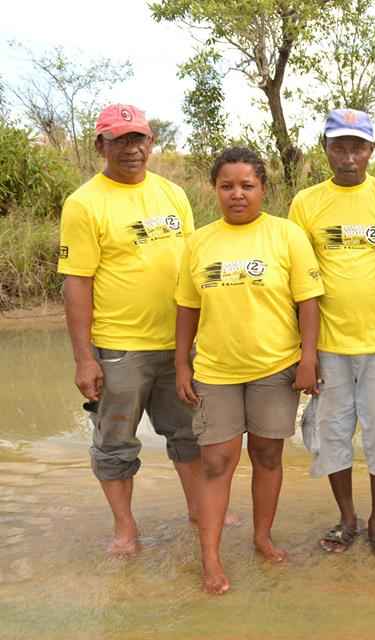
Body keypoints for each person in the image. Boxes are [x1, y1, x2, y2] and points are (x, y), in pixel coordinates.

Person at [175, 147, 324, 594]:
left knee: (267, 455)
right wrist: (181, 363)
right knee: (217, 462)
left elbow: (308, 301)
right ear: (215, 189)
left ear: (263, 188)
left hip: (275, 368)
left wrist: (308, 357)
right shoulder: (199, 242)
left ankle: (262, 536)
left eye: (247, 185)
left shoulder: (287, 235)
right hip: (216, 370)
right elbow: (186, 306)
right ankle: (212, 558)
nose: (237, 194)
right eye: (227, 186)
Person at [58, 103, 204, 557]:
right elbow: (76, 283)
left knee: (190, 435)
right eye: (120, 140)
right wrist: (85, 357)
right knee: (116, 441)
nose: (132, 149)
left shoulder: (173, 194)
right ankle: (126, 529)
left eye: (138, 138)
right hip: (120, 348)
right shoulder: (84, 203)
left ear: (151, 142)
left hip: (179, 345)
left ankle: (202, 513)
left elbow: (193, 265)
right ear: (101, 145)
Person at [289, 109, 375, 558]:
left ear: (371, 150)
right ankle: (347, 518)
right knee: (332, 435)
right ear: (325, 149)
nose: (348, 157)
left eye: (357, 147)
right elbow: (300, 283)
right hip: (327, 347)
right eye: (338, 147)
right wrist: (306, 353)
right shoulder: (305, 203)